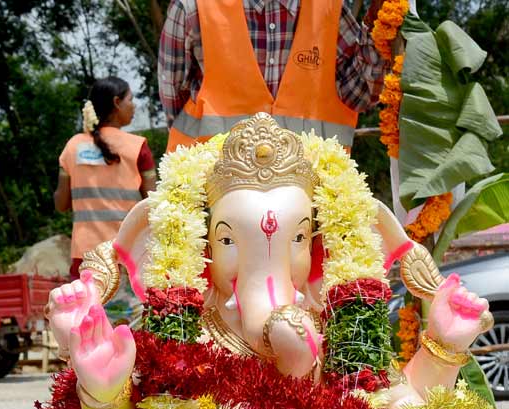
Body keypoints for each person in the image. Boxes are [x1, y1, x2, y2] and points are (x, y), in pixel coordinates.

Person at [158, 0, 387, 151]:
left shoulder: (329, 8)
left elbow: (361, 94)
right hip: (214, 198)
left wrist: (378, 26)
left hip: (313, 198)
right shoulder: (192, 8)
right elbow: (175, 105)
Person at [54, 77, 156, 281]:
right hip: (127, 253)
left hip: (85, 256)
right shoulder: (137, 147)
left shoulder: (73, 146)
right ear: (117, 103)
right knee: (130, 313)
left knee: (89, 311)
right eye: (130, 99)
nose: (133, 106)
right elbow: (154, 204)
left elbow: (61, 204)